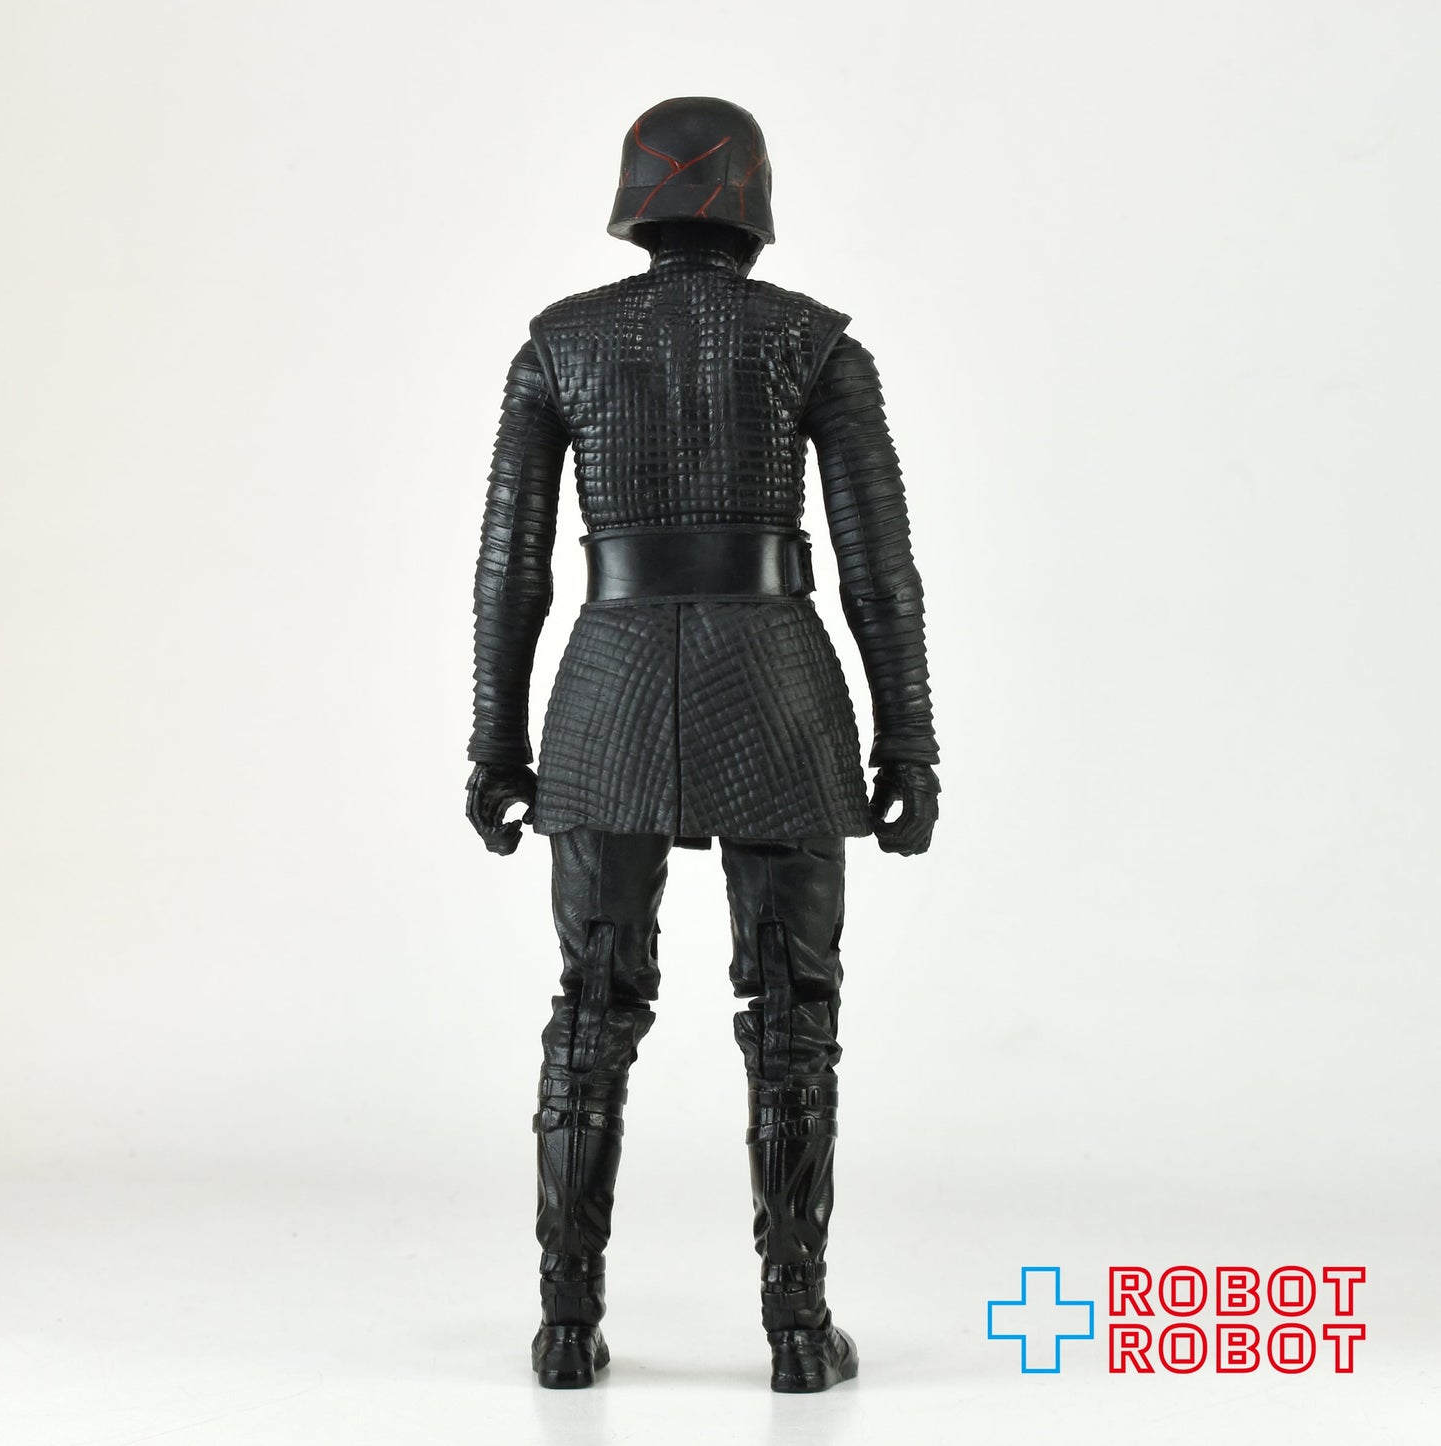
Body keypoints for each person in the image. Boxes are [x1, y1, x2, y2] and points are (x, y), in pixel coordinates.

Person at [465, 96, 939, 1392]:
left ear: (636, 202)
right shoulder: (814, 344)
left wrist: (495, 739)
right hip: (775, 684)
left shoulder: (558, 345)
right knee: (793, 1018)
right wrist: (908, 740)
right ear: (755, 201)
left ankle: (567, 1326)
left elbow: (511, 567)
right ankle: (797, 1329)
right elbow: (878, 569)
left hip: (605, 691)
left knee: (590, 1011)